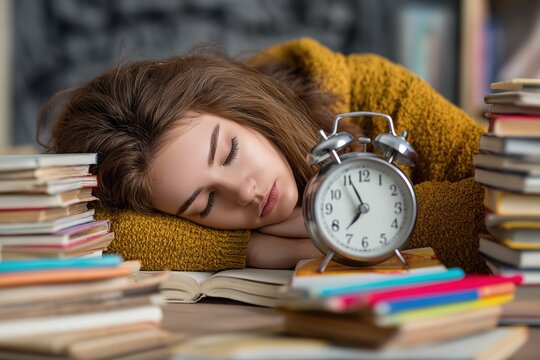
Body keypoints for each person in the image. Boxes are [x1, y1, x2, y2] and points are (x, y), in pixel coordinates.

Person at [38, 38, 489, 273]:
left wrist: (334, 231)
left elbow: (513, 208)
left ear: (242, 107)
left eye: (230, 152)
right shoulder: (217, 211)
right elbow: (91, 230)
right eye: (206, 204)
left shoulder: (369, 87)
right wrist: (252, 248)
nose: (247, 192)